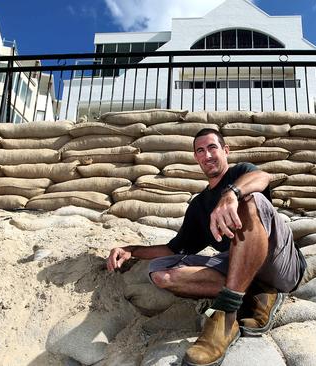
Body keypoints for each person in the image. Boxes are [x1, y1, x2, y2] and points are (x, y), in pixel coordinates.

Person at [107, 128, 305, 366]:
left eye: (212, 147)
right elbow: (174, 249)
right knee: (161, 273)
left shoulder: (241, 172)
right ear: (196, 158)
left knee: (250, 200)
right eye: (200, 150)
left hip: (279, 262)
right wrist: (132, 250)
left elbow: (263, 177)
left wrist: (232, 194)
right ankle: (255, 295)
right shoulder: (199, 206)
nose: (207, 155)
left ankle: (225, 314)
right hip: (239, 266)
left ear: (225, 151)